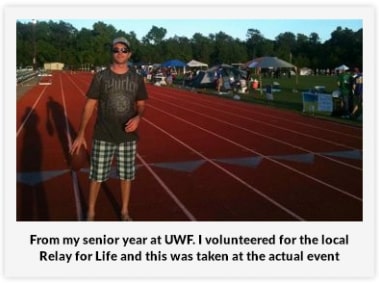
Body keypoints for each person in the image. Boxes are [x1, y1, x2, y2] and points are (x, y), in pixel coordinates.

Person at [70, 37, 148, 221]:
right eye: (116, 49)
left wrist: (138, 116)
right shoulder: (101, 77)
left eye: (124, 49)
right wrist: (81, 134)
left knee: (126, 176)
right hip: (103, 134)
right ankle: (91, 212)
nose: (120, 52)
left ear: (129, 53)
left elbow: (141, 104)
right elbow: (89, 105)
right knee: (96, 176)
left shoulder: (137, 78)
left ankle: (124, 211)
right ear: (111, 53)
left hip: (128, 136)